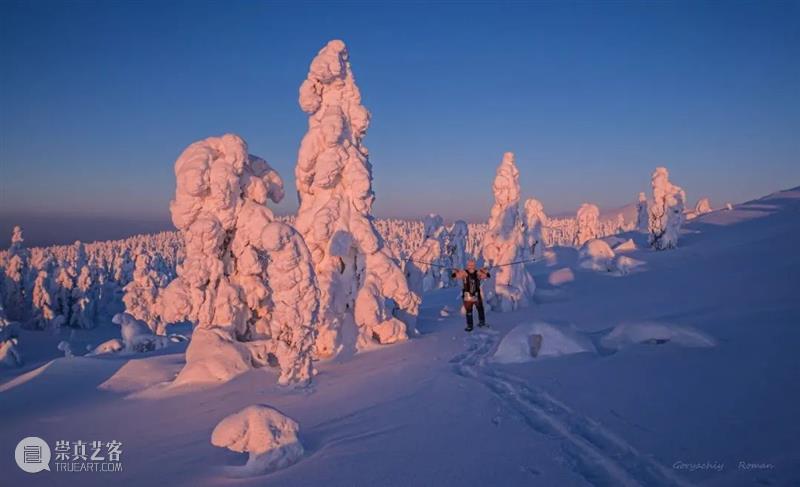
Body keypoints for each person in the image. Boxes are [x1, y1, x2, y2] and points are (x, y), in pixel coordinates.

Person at [451, 259, 490, 332]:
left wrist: (455, 271)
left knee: (469, 311)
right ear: (474, 265)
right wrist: (485, 271)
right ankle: (482, 322)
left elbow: (454, 276)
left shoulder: (464, 273)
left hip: (467, 296)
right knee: (480, 309)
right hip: (476, 295)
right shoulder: (478, 272)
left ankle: (470, 326)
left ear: (468, 265)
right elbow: (487, 276)